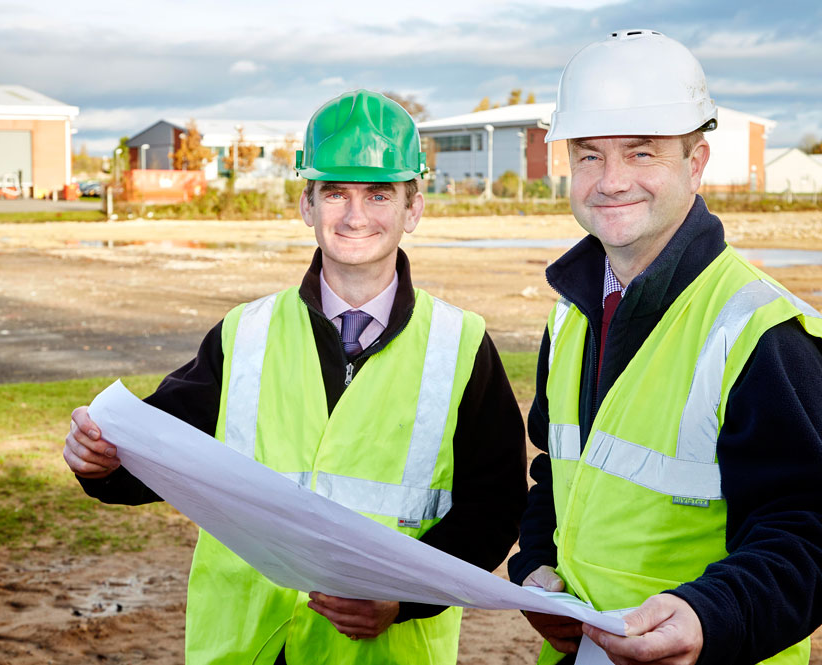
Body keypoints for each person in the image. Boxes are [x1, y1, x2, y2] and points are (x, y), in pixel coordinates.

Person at [63, 89, 528, 665]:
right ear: (306, 205)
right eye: (334, 192)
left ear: (413, 209)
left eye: (379, 194)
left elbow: (497, 506)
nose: (356, 216)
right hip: (248, 645)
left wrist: (404, 599)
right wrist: (103, 463)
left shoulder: (461, 345)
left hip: (386, 651)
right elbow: (158, 454)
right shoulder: (244, 334)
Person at [507, 29, 822, 665]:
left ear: (696, 163)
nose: (611, 180)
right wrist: (538, 567)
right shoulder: (569, 318)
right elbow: (561, 473)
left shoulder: (760, 332)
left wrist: (711, 617)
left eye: (642, 153)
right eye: (590, 155)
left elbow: (808, 529)